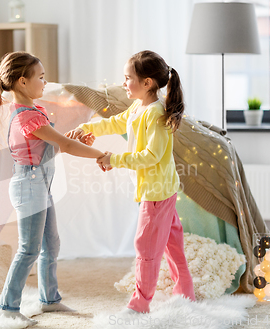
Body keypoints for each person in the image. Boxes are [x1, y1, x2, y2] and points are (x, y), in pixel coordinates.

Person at [66, 50, 196, 314]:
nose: (124, 83)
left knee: (145, 246)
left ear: (147, 83)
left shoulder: (156, 114)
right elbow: (116, 123)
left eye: (128, 78)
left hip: (157, 192)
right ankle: (186, 292)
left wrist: (114, 158)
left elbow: (151, 156)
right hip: (161, 188)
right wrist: (88, 128)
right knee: (172, 243)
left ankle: (140, 304)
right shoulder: (139, 107)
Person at [0, 51, 104, 326]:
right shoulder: (26, 117)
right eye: (40, 77)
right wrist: (100, 154)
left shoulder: (34, 111)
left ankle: (49, 300)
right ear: (22, 82)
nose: (45, 82)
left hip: (41, 183)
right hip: (29, 185)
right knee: (29, 249)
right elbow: (66, 146)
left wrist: (67, 139)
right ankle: (7, 307)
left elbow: (56, 144)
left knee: (51, 244)